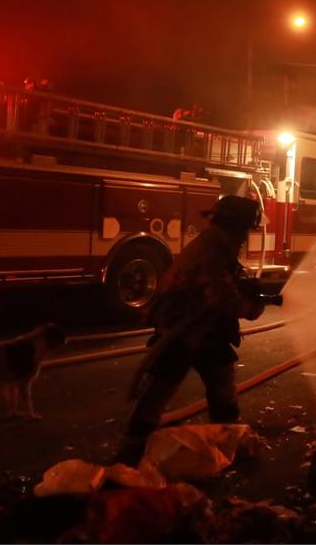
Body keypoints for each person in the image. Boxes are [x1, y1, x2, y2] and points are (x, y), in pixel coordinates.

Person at [116, 195, 266, 464]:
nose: (246, 236)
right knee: (162, 386)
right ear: (235, 226)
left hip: (202, 326)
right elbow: (220, 295)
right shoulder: (213, 249)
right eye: (245, 228)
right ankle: (132, 450)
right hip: (183, 328)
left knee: (219, 379)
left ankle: (226, 440)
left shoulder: (215, 243)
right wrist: (250, 308)